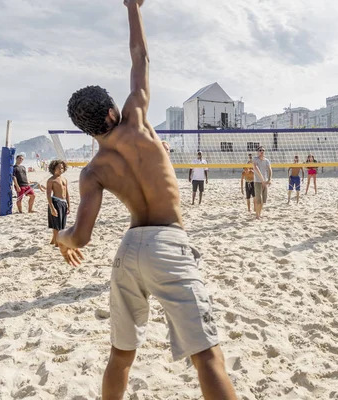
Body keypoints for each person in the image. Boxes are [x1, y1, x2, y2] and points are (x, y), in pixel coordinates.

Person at [58, 2, 237, 399]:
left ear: (86, 129)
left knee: (120, 357)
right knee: (207, 358)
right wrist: (132, 6)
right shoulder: (135, 117)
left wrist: (62, 238)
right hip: (168, 244)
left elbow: (81, 237)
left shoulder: (92, 170)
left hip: (129, 250)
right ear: (111, 110)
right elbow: (140, 55)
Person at [46, 160, 70, 247]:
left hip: (63, 203)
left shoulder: (64, 179)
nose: (61, 169)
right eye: (59, 168)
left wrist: (69, 205)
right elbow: (48, 194)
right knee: (56, 225)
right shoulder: (51, 180)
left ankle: (53, 240)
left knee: (62, 224)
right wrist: (52, 207)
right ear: (53, 168)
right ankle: (57, 243)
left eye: (62, 168)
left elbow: (67, 193)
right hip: (56, 202)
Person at [253, 146, 272, 219]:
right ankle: (257, 215)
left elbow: (270, 169)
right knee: (259, 199)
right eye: (260, 150)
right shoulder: (255, 159)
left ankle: (259, 214)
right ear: (258, 151)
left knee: (263, 200)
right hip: (258, 182)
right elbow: (256, 168)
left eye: (263, 150)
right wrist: (262, 180)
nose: (262, 151)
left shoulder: (267, 160)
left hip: (265, 182)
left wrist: (269, 179)